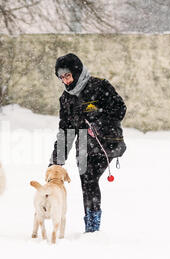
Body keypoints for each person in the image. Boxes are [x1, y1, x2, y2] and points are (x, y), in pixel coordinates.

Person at [49, 53, 127, 233]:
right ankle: (91, 225)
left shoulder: (99, 86)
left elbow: (120, 109)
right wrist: (56, 161)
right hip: (84, 147)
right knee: (87, 181)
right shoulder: (66, 99)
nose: (65, 81)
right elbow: (66, 131)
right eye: (61, 77)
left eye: (67, 75)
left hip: (108, 143)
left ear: (76, 72)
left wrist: (98, 123)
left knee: (90, 179)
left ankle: (92, 228)